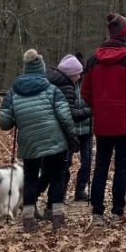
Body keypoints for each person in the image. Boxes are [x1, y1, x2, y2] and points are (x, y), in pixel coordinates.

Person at [0, 51, 78, 232]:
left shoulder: (13, 92)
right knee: (57, 176)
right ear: (41, 68)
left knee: (31, 178)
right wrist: (71, 136)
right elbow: (65, 116)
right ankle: (57, 217)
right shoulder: (52, 90)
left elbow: (4, 122)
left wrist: (16, 118)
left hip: (29, 142)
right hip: (54, 139)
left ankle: (28, 218)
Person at [82, 13, 126, 225]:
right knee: (121, 166)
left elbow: (85, 92)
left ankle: (97, 212)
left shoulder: (93, 60)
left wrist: (98, 107)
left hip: (102, 121)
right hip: (124, 121)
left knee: (100, 165)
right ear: (125, 32)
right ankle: (118, 210)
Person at [50, 55, 93, 203]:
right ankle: (61, 192)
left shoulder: (88, 82)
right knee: (66, 162)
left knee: (87, 161)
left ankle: (80, 190)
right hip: (70, 130)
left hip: (87, 129)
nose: (80, 75)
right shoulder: (65, 85)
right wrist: (90, 111)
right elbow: (68, 111)